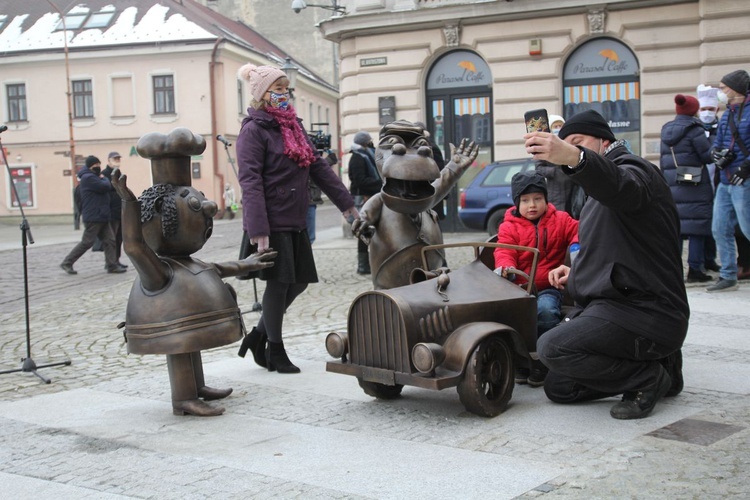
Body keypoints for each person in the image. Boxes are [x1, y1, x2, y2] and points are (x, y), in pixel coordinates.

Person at [524, 109, 689, 420]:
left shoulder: (635, 169)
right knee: (558, 387)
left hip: (647, 310)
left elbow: (624, 188)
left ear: (603, 141)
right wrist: (575, 271)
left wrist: (574, 156)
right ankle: (662, 366)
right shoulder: (597, 190)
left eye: (581, 141)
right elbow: (611, 248)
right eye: (570, 144)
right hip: (617, 303)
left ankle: (647, 379)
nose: (574, 149)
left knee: (552, 347)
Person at [235, 63, 358, 374]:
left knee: (299, 281)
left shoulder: (294, 126)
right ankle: (275, 350)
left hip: (295, 216)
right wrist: (258, 229)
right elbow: (250, 181)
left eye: (286, 88)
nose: (284, 94)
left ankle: (258, 335)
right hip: (271, 220)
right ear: (263, 95)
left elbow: (318, 168)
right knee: (279, 283)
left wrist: (346, 204)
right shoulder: (253, 131)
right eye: (278, 89)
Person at [493, 170, 578, 387]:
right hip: (519, 286)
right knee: (512, 317)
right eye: (526, 200)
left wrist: (576, 248)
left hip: (548, 285)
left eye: (538, 199)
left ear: (546, 199)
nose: (532, 205)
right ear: (516, 202)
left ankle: (543, 361)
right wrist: (506, 267)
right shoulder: (509, 225)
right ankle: (521, 359)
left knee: (546, 312)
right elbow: (504, 250)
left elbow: (580, 231)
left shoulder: (560, 219)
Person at [659, 94, 714, 283]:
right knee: (697, 228)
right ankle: (695, 270)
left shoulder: (666, 129)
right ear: (694, 110)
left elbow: (662, 161)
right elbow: (706, 155)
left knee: (678, 229)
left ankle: (675, 272)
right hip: (695, 184)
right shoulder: (695, 129)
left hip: (673, 183)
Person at [707, 69, 750, 292]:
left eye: (723, 88)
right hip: (726, 180)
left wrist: (745, 168)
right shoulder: (729, 113)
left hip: (744, 179)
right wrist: (716, 154)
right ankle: (728, 275)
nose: (720, 92)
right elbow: (719, 141)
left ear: (735, 89)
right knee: (719, 228)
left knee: (748, 227)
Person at [60, 155, 127, 275]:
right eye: (95, 165)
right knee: (87, 242)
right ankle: (67, 262)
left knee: (110, 240)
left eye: (98, 165)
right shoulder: (88, 178)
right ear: (90, 166)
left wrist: (102, 178)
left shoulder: (95, 177)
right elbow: (106, 186)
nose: (98, 167)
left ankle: (112, 265)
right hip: (94, 216)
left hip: (102, 215)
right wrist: (104, 179)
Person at [535, 114, 584, 219]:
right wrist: (554, 172)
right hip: (555, 191)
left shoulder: (569, 144)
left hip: (571, 189)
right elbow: (539, 168)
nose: (558, 129)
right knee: (557, 218)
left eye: (560, 126)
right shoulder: (543, 146)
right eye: (555, 126)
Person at [696, 84, 722, 273]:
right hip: (699, 180)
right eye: (703, 109)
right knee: (703, 221)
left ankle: (710, 258)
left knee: (716, 221)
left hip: (719, 178)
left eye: (710, 109)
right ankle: (704, 259)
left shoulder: (721, 128)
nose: (706, 113)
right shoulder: (695, 129)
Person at [348, 131, 381, 274]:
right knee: (363, 230)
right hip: (363, 198)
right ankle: (363, 265)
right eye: (369, 140)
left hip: (373, 196)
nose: (371, 142)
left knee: (374, 230)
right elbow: (359, 180)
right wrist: (379, 183)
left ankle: (373, 262)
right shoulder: (357, 157)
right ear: (364, 142)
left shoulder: (368, 153)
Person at [101, 151, 127, 268]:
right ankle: (111, 262)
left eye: (118, 159)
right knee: (111, 239)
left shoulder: (118, 173)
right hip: (111, 211)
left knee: (119, 238)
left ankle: (116, 260)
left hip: (120, 210)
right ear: (109, 160)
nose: (117, 160)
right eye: (114, 159)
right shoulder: (105, 174)